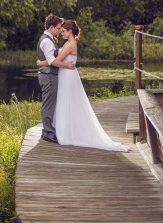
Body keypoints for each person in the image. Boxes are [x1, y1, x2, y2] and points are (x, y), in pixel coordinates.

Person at [36, 19, 129, 152]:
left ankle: (67, 133)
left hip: (67, 76)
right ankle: (65, 130)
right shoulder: (69, 43)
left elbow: (55, 61)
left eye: (63, 31)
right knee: (66, 103)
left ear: (70, 31)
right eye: (60, 30)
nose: (61, 33)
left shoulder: (70, 45)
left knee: (67, 103)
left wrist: (41, 63)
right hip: (65, 76)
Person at [37, 14, 69, 144]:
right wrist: (67, 65)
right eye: (58, 28)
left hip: (49, 75)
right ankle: (48, 133)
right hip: (48, 76)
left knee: (49, 104)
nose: (60, 30)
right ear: (51, 27)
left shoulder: (49, 39)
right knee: (48, 105)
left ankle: (47, 131)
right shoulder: (46, 41)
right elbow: (52, 61)